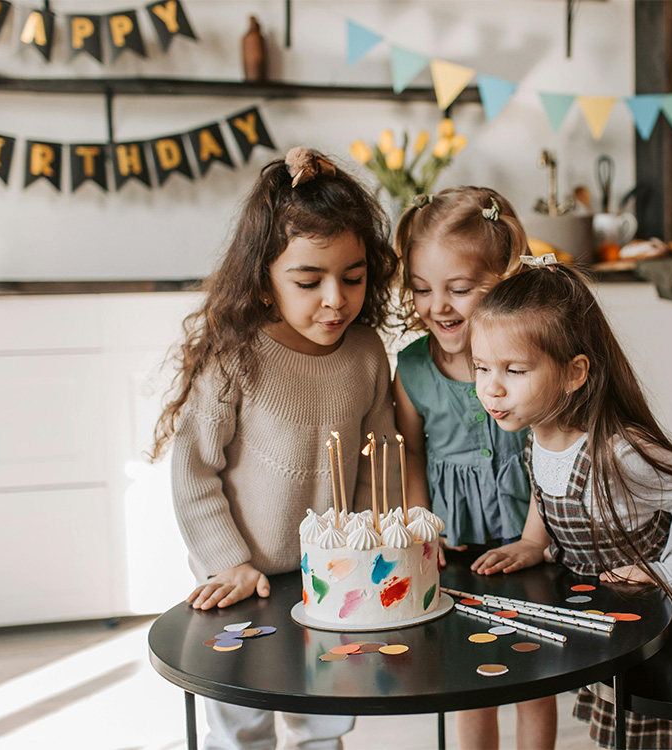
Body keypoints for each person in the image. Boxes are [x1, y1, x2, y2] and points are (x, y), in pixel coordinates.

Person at [152, 147, 400, 750]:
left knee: (325, 712)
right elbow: (194, 470)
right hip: (242, 577)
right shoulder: (235, 356)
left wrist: (368, 545)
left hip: (331, 577)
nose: (336, 299)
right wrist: (226, 559)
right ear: (264, 278)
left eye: (354, 277)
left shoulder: (366, 353)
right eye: (309, 281)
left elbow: (376, 460)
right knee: (242, 720)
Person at [469, 257, 672, 750]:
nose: (491, 387)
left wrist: (667, 571)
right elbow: (545, 486)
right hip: (620, 610)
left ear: (574, 373)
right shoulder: (536, 433)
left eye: (513, 370)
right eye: (481, 368)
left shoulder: (618, 452)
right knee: (625, 725)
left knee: (670, 726)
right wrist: (534, 541)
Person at [392, 187, 556, 750]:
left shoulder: (528, 360)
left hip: (525, 541)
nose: (438, 305)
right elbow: (411, 450)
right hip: (452, 550)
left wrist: (536, 539)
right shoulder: (411, 368)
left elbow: (549, 447)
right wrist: (419, 524)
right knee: (469, 677)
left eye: (459, 289)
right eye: (421, 289)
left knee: (536, 676)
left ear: (501, 280)